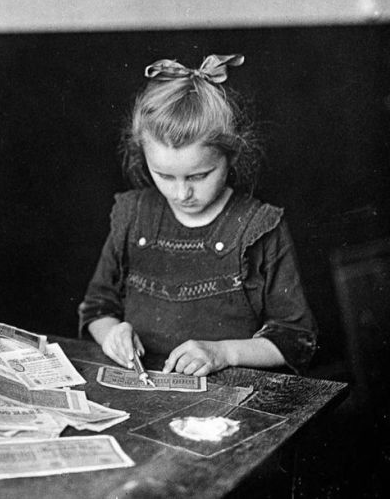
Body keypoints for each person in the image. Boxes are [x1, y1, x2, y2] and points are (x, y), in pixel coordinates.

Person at [78, 54, 317, 377]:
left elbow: (296, 338)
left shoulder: (260, 227)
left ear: (230, 156)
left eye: (198, 176)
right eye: (164, 175)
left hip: (229, 404)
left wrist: (223, 353)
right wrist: (111, 334)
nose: (181, 194)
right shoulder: (132, 216)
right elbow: (97, 307)